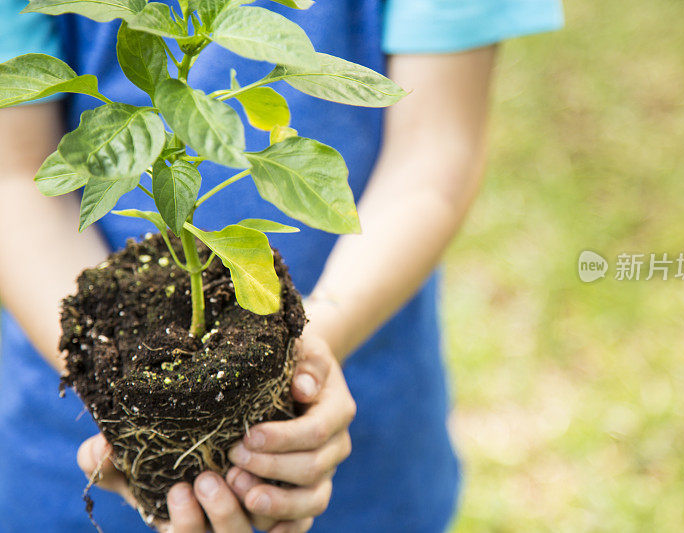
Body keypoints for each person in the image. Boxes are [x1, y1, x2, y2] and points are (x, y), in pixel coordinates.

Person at [0, 0, 563, 531]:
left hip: (361, 433)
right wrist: (109, 382)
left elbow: (434, 153)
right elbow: (15, 173)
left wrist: (314, 343)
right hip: (63, 446)